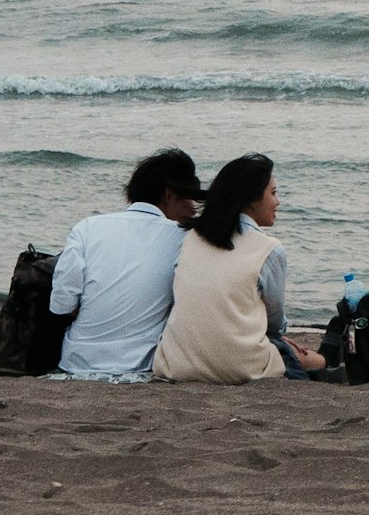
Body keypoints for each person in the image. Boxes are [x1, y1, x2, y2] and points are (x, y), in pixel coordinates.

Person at [47, 149, 202, 384]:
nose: (193, 208)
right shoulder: (183, 238)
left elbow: (61, 304)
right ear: (169, 195)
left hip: (77, 360)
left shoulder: (87, 227)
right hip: (141, 362)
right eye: (189, 198)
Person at [153, 153, 304, 384]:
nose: (277, 202)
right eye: (273, 193)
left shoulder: (191, 238)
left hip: (177, 364)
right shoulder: (269, 249)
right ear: (252, 199)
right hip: (243, 368)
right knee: (302, 358)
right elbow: (275, 323)